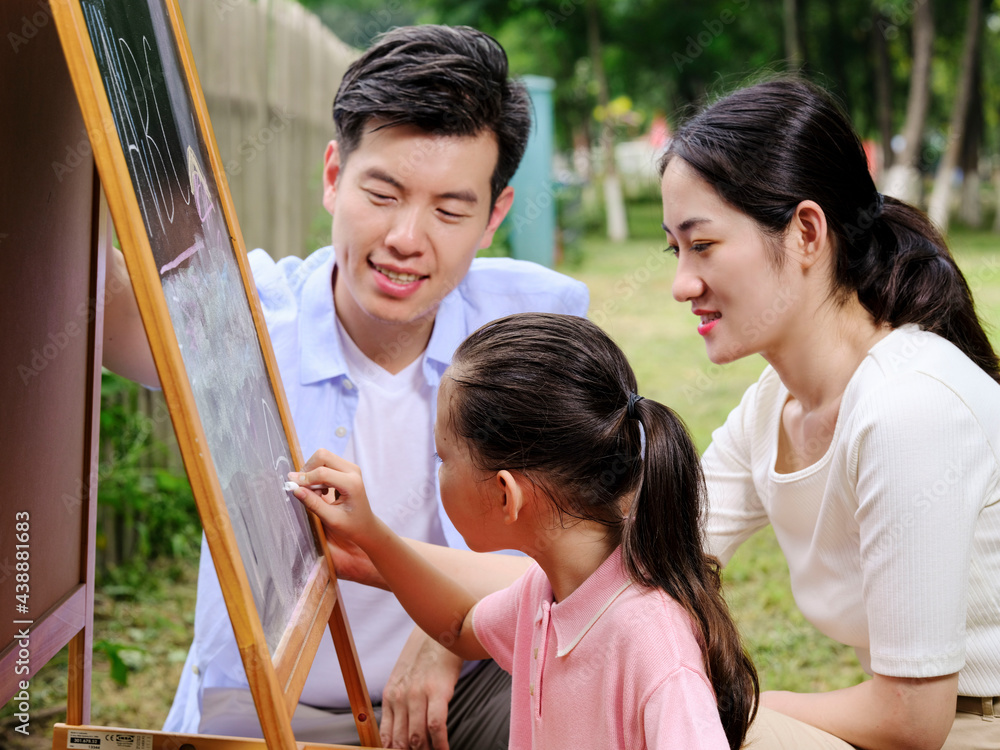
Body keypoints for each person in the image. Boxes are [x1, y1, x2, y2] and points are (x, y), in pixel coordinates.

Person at [102, 25, 588, 749]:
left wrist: (452, 632)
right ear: (333, 175)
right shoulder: (243, 318)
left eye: (450, 210)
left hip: (465, 697)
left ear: (494, 217)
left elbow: (595, 546)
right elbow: (82, 297)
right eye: (383, 193)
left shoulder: (532, 328)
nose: (405, 237)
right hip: (268, 712)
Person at [659, 77, 1000, 750]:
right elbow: (649, 552)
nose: (681, 284)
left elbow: (911, 723)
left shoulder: (908, 409)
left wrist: (717, 705)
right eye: (674, 250)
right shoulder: (773, 406)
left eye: (703, 246)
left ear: (806, 232)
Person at [291, 312, 759, 750]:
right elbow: (457, 627)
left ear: (505, 495)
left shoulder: (654, 648)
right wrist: (370, 534)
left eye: (442, 458)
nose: (436, 469)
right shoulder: (548, 592)